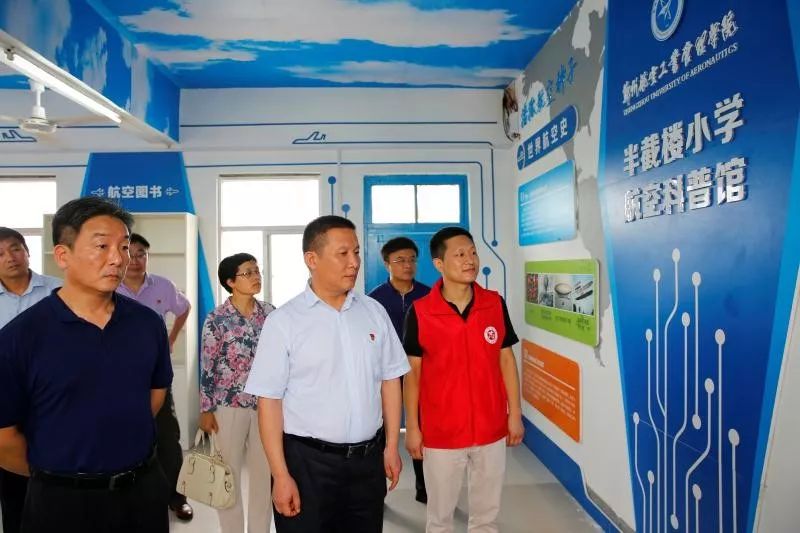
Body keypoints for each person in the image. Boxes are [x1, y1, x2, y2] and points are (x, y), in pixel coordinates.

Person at [0, 197, 173, 533]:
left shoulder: (147, 323)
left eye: (124, 246)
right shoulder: (20, 337)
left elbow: (154, 397)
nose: (118, 258)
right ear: (62, 255)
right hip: (61, 502)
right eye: (102, 246)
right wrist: (58, 474)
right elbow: (4, 439)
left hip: (142, 490)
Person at [245, 215, 410, 533]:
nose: (354, 262)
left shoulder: (373, 312)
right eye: (343, 253)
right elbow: (269, 403)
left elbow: (391, 380)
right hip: (307, 465)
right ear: (312, 259)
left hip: (367, 462)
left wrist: (391, 446)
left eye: (357, 252)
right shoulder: (284, 322)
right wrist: (280, 474)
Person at [403, 226, 524, 533]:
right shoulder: (421, 312)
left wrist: (515, 415)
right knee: (440, 518)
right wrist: (413, 427)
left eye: (472, 252)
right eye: (459, 254)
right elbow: (412, 375)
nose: (470, 260)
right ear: (439, 264)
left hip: (491, 427)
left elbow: (506, 360)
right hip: (441, 432)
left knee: (486, 516)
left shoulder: (494, 304)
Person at [116, 233, 193, 522]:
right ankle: (127, 497)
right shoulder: (110, 286)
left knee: (167, 437)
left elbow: (184, 308)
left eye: (141, 254)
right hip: (117, 374)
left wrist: (171, 338)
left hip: (156, 373)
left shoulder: (162, 285)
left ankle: (177, 498)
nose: (135, 260)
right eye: (130, 253)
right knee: (121, 433)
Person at [199, 253, 273, 533]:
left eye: (257, 271)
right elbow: (208, 365)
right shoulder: (217, 319)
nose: (256, 276)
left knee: (264, 475)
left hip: (265, 405)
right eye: (248, 272)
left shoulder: (271, 314)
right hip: (228, 405)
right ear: (230, 282)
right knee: (226, 476)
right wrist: (206, 409)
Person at [0, 227, 62, 533]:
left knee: (59, 481)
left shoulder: (58, 290)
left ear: (27, 251)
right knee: (14, 488)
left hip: (53, 398)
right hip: (7, 400)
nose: (9, 258)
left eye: (15, 248)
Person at [367, 236, 430, 504]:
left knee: (421, 429)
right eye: (400, 260)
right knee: (380, 431)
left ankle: (424, 486)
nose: (407, 265)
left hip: (422, 372)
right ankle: (377, 490)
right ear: (387, 264)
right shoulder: (374, 300)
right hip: (386, 375)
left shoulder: (429, 296)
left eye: (412, 260)